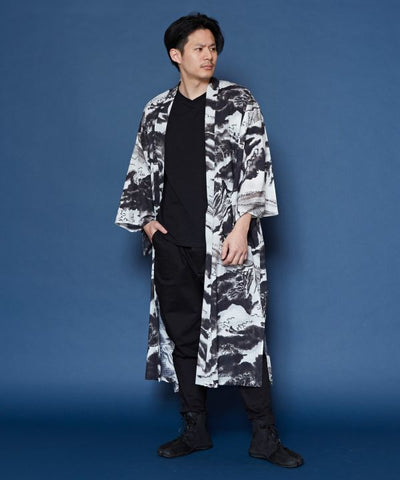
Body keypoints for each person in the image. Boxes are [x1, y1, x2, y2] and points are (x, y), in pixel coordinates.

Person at [115, 12, 304, 468]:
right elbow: (140, 169)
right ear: (175, 55)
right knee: (183, 337)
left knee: (244, 337)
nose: (209, 55)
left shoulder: (239, 102)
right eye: (199, 48)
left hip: (226, 243)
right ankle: (194, 429)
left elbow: (258, 163)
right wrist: (148, 225)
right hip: (172, 244)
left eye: (213, 48)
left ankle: (265, 437)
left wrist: (243, 227)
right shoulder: (156, 110)